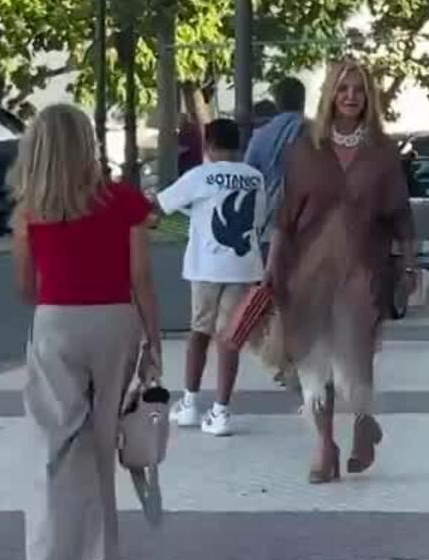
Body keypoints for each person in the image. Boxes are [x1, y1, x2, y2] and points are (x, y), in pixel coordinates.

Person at [11, 103, 161, 560]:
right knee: (101, 444)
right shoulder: (125, 202)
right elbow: (141, 277)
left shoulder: (32, 208)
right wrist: (153, 339)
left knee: (59, 445)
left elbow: (23, 285)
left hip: (57, 322)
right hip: (116, 321)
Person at [267, 58, 414, 483]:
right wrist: (273, 265)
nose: (351, 96)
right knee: (315, 363)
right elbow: (286, 214)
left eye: (359, 89)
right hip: (308, 269)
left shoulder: (382, 152)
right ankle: (322, 445)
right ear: (330, 93)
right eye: (343, 88)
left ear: (369, 97)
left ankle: (363, 424)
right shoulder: (305, 149)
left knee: (353, 359)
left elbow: (400, 213)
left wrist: (408, 264)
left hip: (363, 272)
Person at [156, 118, 268, 437]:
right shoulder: (255, 178)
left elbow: (162, 205)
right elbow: (258, 219)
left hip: (205, 267)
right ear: (240, 145)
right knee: (229, 338)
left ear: (208, 145)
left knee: (199, 333)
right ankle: (221, 411)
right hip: (244, 266)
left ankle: (190, 404)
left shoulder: (200, 175)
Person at [242, 76, 310, 398]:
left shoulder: (261, 136)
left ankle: (286, 362)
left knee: (280, 295)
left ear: (278, 101)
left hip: (271, 225)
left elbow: (249, 177)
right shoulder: (317, 133)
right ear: (303, 100)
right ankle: (302, 360)